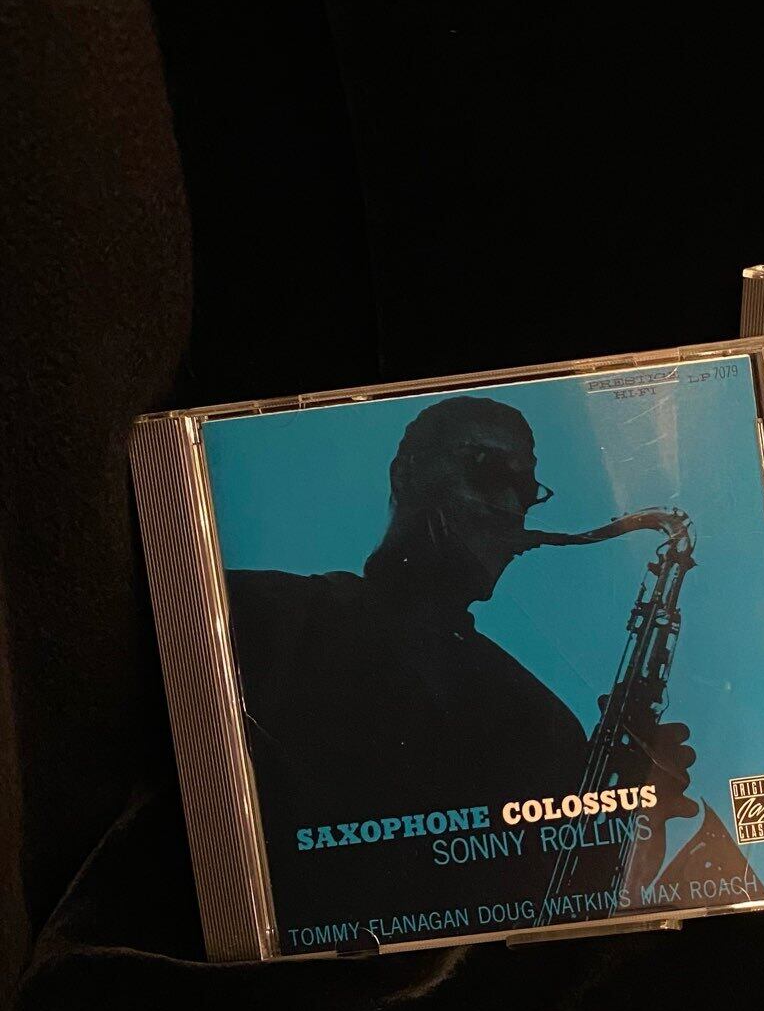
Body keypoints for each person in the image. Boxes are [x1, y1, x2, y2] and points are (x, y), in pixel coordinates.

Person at [225, 394, 697, 944]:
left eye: (525, 492)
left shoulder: (550, 726)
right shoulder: (252, 612)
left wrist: (634, 812)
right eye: (486, 470)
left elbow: (578, 900)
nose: (510, 507)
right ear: (404, 475)